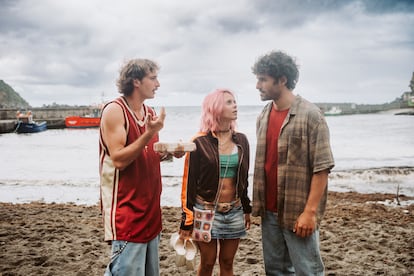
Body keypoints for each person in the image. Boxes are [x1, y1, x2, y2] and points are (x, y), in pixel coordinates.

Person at [251, 50, 335, 275]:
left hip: (297, 211)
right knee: (276, 271)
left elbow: (322, 168)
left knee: (308, 271)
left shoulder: (311, 115)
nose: (257, 85)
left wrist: (310, 212)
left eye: (263, 80)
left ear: (282, 80)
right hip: (269, 212)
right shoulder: (263, 116)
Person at [99, 58, 178, 275]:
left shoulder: (149, 113)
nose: (158, 84)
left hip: (152, 211)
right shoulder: (114, 111)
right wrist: (150, 133)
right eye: (152, 78)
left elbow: (144, 154)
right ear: (135, 81)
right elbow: (119, 160)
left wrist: (168, 153)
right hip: (128, 213)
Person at [179, 89, 252, 276]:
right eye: (229, 102)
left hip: (234, 210)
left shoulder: (242, 140)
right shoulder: (199, 142)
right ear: (216, 108)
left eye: (235, 101)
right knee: (208, 262)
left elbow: (243, 178)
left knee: (227, 263)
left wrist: (246, 208)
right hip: (205, 210)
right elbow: (189, 183)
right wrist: (186, 220)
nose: (235, 105)